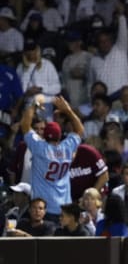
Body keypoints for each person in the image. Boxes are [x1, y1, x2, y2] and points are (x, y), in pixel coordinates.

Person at [20, 96, 84, 224]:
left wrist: (33, 104)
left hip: (44, 209)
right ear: (60, 136)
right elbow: (80, 130)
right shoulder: (68, 147)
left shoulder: (40, 147)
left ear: (44, 135)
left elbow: (25, 126)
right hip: (65, 209)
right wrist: (68, 110)